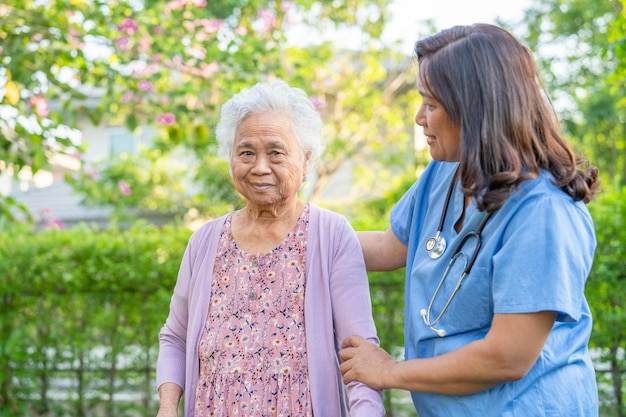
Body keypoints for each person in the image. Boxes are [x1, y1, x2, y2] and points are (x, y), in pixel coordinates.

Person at [339, 23, 600, 416]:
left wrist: (390, 371)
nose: (418, 117)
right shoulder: (445, 173)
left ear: (475, 110)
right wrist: (296, 235)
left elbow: (506, 357)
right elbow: (387, 247)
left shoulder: (544, 213)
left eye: (431, 104)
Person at [155, 79, 384, 417]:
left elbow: (360, 354)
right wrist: (167, 407)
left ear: (306, 162)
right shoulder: (204, 241)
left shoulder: (332, 234)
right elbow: (175, 337)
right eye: (246, 152)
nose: (259, 167)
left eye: (276, 152)